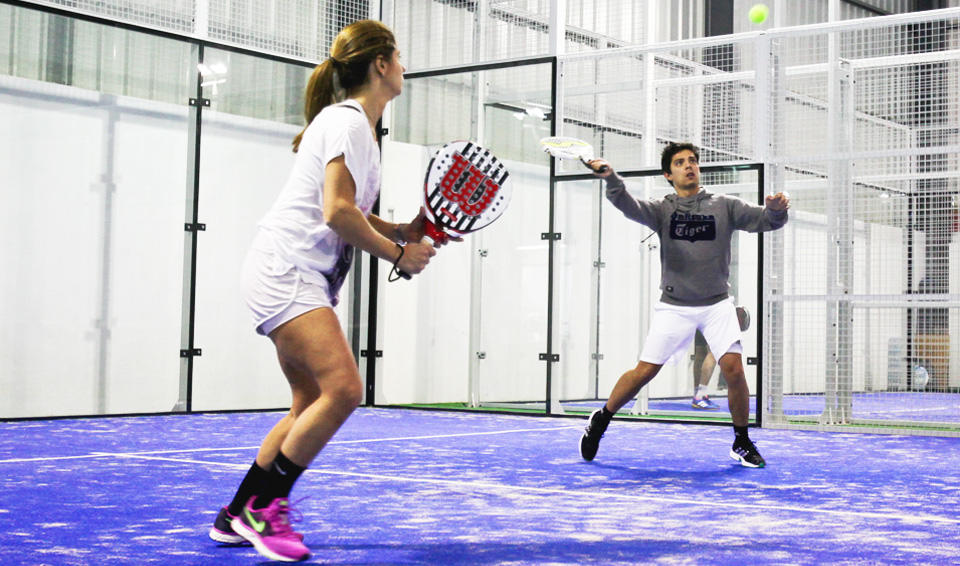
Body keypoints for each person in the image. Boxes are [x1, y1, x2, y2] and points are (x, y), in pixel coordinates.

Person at [207, 20, 441, 562]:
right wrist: (401, 255)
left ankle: (235, 512)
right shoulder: (350, 123)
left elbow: (350, 211)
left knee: (309, 401)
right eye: (399, 57)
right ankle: (266, 511)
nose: (404, 66)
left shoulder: (355, 126)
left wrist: (400, 231)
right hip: (286, 270)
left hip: (289, 271)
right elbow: (334, 213)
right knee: (344, 390)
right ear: (380, 65)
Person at [579, 142, 789, 468]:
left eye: (692, 161)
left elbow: (767, 221)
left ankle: (742, 441)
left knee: (733, 369)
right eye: (680, 163)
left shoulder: (725, 205)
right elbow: (627, 204)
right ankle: (602, 418)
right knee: (645, 371)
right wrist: (611, 178)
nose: (689, 166)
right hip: (674, 305)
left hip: (717, 303)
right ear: (668, 174)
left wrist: (776, 209)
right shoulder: (662, 210)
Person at [691, 330, 720, 409]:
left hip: (698, 320)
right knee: (713, 352)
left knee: (701, 351)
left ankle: (698, 394)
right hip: (713, 320)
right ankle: (700, 396)